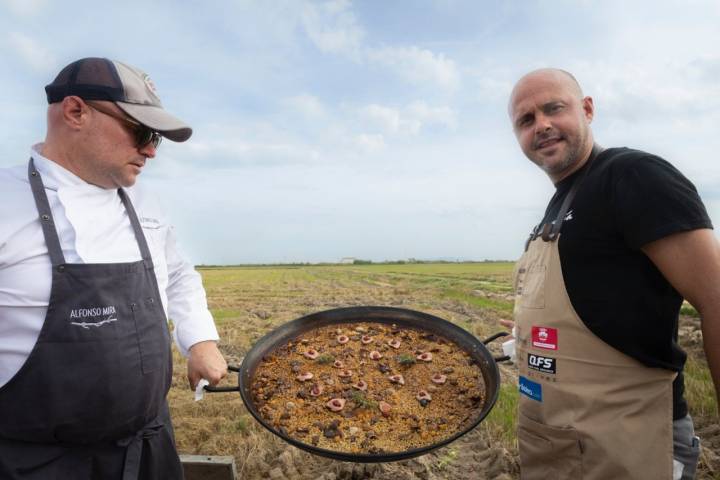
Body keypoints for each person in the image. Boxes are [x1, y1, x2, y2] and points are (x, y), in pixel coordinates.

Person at [0, 57, 228, 479]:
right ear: (75, 112)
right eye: (141, 131)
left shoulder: (146, 203)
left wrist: (199, 341)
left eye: (155, 136)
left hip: (149, 449)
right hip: (39, 464)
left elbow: (178, 273)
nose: (151, 150)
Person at [506, 68, 720, 480]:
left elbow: (716, 300)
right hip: (560, 441)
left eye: (554, 109)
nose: (542, 126)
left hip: (629, 442)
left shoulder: (632, 176)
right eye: (526, 120)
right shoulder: (560, 203)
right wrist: (529, 338)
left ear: (587, 109)